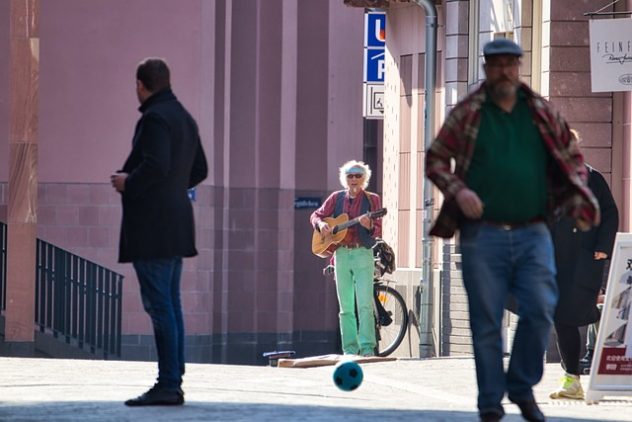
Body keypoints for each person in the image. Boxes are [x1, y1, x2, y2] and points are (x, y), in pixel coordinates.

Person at [425, 39, 599, 422]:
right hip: (481, 234)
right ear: (486, 67)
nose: (504, 70)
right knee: (486, 321)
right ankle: (490, 401)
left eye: (511, 64)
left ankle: (521, 387)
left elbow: (573, 160)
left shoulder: (539, 110)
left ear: (519, 66)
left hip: (534, 230)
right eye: (497, 64)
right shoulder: (469, 112)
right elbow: (436, 159)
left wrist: (577, 199)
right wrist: (460, 189)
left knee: (540, 309)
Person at [111, 57, 208, 406]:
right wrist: (172, 189)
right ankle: (173, 380)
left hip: (153, 227)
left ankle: (168, 383)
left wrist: (128, 182)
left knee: (160, 306)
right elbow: (199, 169)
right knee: (171, 304)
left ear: (141, 84)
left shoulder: (154, 118)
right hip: (177, 222)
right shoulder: (183, 116)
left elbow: (155, 165)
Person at [550, 132, 618, 399]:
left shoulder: (593, 178)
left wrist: (603, 247)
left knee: (577, 313)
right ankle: (572, 379)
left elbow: (610, 213)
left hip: (583, 260)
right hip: (552, 262)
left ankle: (578, 376)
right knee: (563, 318)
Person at [310, 160, 382, 357]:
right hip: (341, 254)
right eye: (350, 175)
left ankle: (367, 349)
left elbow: (377, 229)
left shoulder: (372, 199)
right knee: (346, 308)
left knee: (365, 304)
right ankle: (349, 349)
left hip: (362, 253)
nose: (354, 179)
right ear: (345, 178)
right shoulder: (336, 198)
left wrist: (367, 225)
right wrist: (321, 224)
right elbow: (316, 214)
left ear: (364, 178)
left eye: (358, 175)